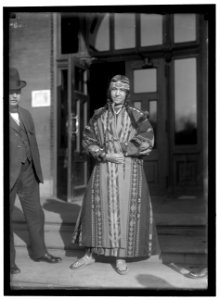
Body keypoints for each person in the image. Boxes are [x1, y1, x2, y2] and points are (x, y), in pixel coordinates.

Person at [70, 75, 160, 275]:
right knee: (96, 210)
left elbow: (148, 139)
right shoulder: (98, 115)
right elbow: (87, 139)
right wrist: (104, 154)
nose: (117, 93)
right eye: (114, 90)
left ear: (127, 93)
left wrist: (124, 150)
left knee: (124, 212)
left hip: (129, 170)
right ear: (109, 92)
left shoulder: (137, 115)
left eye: (122, 90)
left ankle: (121, 257)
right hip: (103, 168)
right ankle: (89, 254)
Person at [9, 68, 62, 275]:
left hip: (28, 172)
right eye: (9, 91)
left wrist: (37, 170)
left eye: (17, 91)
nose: (14, 95)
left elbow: (32, 143)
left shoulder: (26, 114)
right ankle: (9, 261)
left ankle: (40, 252)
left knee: (36, 214)